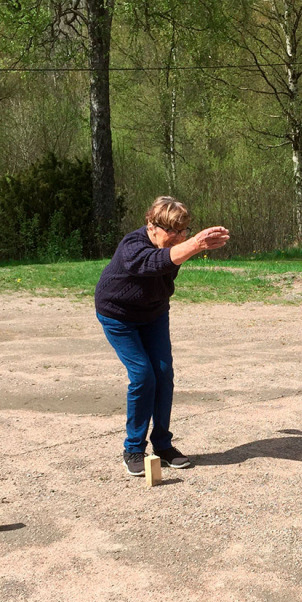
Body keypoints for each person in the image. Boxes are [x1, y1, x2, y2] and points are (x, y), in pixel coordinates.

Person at [95, 196, 230, 476]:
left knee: (163, 373)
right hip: (118, 315)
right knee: (143, 375)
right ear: (151, 225)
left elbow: (169, 257)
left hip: (153, 313)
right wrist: (194, 244)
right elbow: (154, 263)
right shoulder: (132, 246)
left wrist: (189, 244)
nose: (178, 237)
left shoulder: (175, 243)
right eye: (172, 231)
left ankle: (163, 445)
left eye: (183, 231)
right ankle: (133, 448)